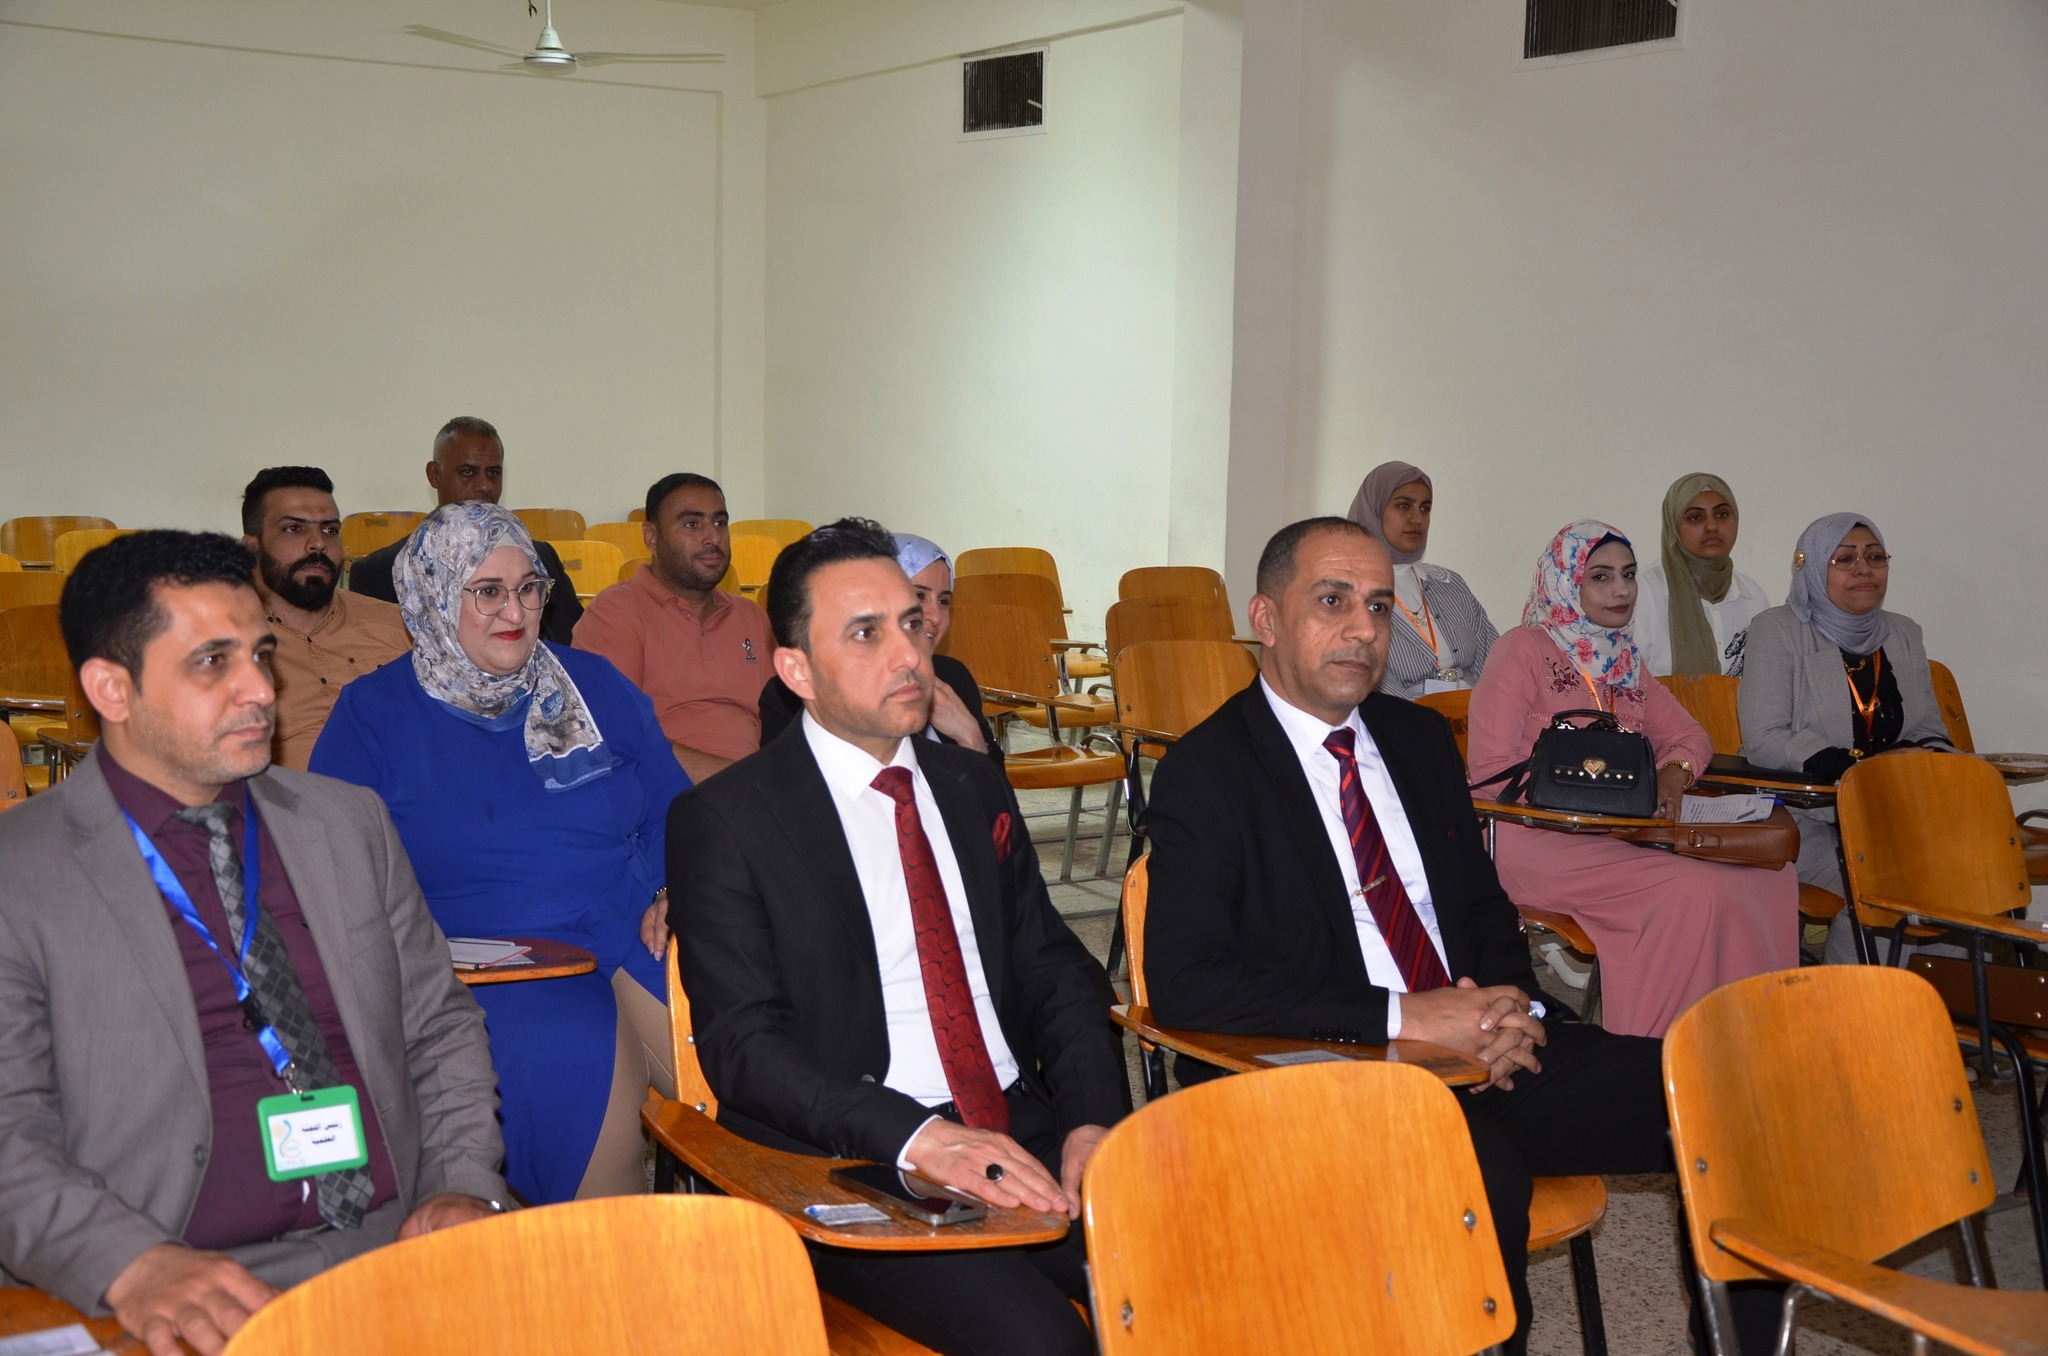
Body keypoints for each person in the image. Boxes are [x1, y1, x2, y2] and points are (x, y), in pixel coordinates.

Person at [1143, 516, 1786, 1354]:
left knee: (1732, 1098)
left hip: (1483, 1045)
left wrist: (1514, 1010)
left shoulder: (1414, 742)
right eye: (1332, 601)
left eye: (1379, 606)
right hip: (1333, 1067)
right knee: (1480, 1183)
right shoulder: (1207, 770)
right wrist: (1405, 1018)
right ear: (1265, 618)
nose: (1362, 629)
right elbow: (1187, 981)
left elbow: (1482, 908)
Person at [0, 532, 506, 1356]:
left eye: (261, 654)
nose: (261, 690)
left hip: (390, 1243)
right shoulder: (20, 873)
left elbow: (439, 1029)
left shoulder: (346, 824)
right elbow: (7, 1131)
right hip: (170, 1281)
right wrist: (129, 1264)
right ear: (111, 689)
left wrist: (459, 1186)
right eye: (213, 663)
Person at [667, 519, 1125, 1356]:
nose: (909, 653)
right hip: (857, 1154)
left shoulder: (970, 783)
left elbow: (1053, 965)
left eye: (912, 622)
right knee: (1047, 1342)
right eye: (866, 633)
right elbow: (743, 1047)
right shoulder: (728, 820)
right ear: (796, 670)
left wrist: (1092, 1120)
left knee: (1197, 1273)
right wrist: (919, 1138)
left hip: (1016, 1121)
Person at [312, 504, 688, 1204]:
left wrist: (674, 889)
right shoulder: (371, 715)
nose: (514, 611)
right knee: (592, 1123)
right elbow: (332, 872)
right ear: (433, 595)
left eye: (528, 587)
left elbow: (674, 809)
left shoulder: (597, 685)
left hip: (632, 921)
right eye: (486, 591)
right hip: (496, 961)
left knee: (751, 1073)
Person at [1467, 521, 1797, 1037]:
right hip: (1530, 836)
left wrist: (1671, 777)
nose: (1621, 590)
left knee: (1768, 876)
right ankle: (1654, 1054)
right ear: (1566, 584)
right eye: (1600, 577)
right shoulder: (1522, 650)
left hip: (1621, 833)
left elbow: (1691, 736)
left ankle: (1746, 1041)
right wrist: (1588, 798)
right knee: (1692, 891)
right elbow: (1489, 771)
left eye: (1628, 574)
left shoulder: (1623, 660)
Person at [1738, 513, 1952, 963]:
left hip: (1893, 817)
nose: (1863, 569)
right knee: (1891, 888)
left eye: (1875, 557)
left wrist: (1926, 761)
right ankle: (1852, 1001)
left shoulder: (1904, 632)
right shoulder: (1777, 629)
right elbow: (1764, 737)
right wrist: (1853, 773)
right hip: (1802, 817)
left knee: (1961, 877)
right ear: (1813, 567)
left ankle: (1951, 999)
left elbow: (1929, 729)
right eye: (1845, 559)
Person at [571, 473, 774, 782]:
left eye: (720, 523)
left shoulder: (751, 616)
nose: (713, 538)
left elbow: (779, 723)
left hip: (754, 789)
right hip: (664, 792)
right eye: (692, 524)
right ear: (652, 537)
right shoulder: (615, 612)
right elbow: (616, 736)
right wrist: (738, 782)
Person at [759, 532, 1001, 766]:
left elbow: (995, 791)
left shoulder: (953, 676)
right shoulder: (792, 695)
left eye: (944, 601)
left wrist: (970, 736)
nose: (935, 616)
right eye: (919, 596)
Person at [348, 416, 583, 645]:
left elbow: (575, 646)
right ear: (434, 475)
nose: (485, 486)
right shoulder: (378, 573)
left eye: (493, 473)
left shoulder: (541, 558)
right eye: (468, 472)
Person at [239, 466, 410, 769]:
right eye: (294, 528)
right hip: (289, 797)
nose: (318, 543)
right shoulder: (227, 646)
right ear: (251, 549)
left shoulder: (400, 627)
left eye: (330, 530)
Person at [1344, 460, 1499, 698]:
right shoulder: (1348, 591)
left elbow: (1496, 662)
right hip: (1399, 715)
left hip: (1473, 712)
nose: (1417, 518)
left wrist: (1488, 709)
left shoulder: (1448, 583)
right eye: (1404, 506)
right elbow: (1370, 681)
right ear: (1374, 509)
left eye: (1425, 509)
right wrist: (1426, 716)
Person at [1631, 473, 1772, 677]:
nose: (1712, 526)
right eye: (1695, 518)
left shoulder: (1753, 598)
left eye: (1722, 514)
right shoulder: (1644, 594)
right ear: (1674, 526)